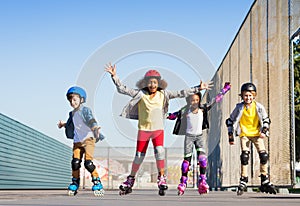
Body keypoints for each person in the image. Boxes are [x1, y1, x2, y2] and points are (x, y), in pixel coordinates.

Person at [105, 63, 213, 196]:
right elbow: (122, 89)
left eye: (155, 82)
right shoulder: (140, 94)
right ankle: (130, 180)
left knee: (159, 152)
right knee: (139, 156)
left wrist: (198, 88)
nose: (152, 85)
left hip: (158, 130)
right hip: (143, 130)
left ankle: (161, 178)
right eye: (150, 82)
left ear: (159, 83)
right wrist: (114, 76)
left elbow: (181, 93)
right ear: (145, 83)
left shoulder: (164, 94)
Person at [168, 82, 231, 195]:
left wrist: (224, 90)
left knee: (202, 159)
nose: (195, 102)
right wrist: (170, 115)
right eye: (192, 100)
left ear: (199, 100)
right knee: (186, 162)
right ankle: (183, 181)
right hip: (189, 137)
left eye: (197, 100)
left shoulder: (203, 108)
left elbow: (215, 100)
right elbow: (174, 115)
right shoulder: (185, 110)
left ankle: (202, 180)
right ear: (188, 101)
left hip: (199, 136)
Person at [225, 82, 276, 195]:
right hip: (244, 134)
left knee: (264, 155)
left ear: (254, 96)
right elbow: (230, 121)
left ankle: (264, 178)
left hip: (257, 133)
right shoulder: (239, 107)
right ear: (242, 96)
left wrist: (264, 131)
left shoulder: (259, 107)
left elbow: (266, 119)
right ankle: (244, 178)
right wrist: (230, 135)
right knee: (245, 156)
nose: (248, 98)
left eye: (250, 95)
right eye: (245, 95)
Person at [57, 86, 104, 196]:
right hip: (77, 141)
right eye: (70, 100)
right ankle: (75, 182)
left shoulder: (86, 110)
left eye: (75, 100)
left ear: (81, 99)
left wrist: (95, 127)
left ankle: (97, 181)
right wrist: (63, 124)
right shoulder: (71, 114)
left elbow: (90, 119)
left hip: (88, 139)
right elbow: (70, 123)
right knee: (75, 163)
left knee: (88, 163)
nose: (72, 102)